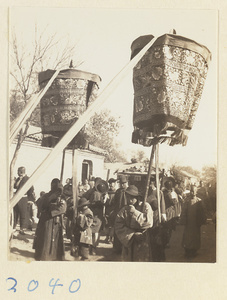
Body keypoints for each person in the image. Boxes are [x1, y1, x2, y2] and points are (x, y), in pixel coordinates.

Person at [114, 185, 153, 261]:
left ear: (137, 197)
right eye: (127, 197)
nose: (129, 200)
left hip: (142, 240)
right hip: (129, 240)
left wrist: (135, 213)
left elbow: (149, 222)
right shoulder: (125, 209)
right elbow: (118, 225)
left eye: (132, 197)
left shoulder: (145, 206)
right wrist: (132, 234)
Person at [33, 178, 67, 261]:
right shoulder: (46, 195)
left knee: (53, 238)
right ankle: (44, 255)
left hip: (55, 220)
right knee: (45, 237)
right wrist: (49, 200)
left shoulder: (61, 197)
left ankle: (54, 255)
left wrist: (53, 210)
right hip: (46, 220)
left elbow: (63, 208)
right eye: (53, 185)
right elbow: (39, 203)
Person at [83, 178, 108, 255]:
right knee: (95, 232)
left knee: (93, 231)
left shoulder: (95, 193)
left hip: (95, 214)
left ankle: (91, 247)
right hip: (97, 214)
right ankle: (93, 247)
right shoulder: (98, 193)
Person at [180, 184, 207, 258]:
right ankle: (187, 250)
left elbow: (202, 212)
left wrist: (202, 220)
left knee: (195, 236)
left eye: (194, 191)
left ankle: (194, 251)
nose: (192, 193)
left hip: (196, 223)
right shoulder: (187, 201)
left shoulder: (199, 201)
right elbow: (183, 211)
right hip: (188, 223)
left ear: (196, 192)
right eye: (191, 191)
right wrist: (183, 220)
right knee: (187, 236)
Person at [147, 176, 167, 261]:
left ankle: (159, 257)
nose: (151, 185)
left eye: (152, 183)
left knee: (157, 238)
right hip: (148, 215)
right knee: (149, 238)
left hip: (156, 216)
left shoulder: (159, 193)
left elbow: (162, 205)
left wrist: (163, 214)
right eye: (150, 183)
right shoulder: (147, 192)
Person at [13, 166, 36, 234]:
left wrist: (29, 199)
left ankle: (22, 229)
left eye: (18, 171)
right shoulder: (17, 179)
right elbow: (15, 187)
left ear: (21, 172)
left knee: (23, 214)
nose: (17, 173)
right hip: (16, 199)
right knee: (15, 213)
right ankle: (14, 227)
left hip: (23, 199)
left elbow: (31, 190)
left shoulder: (27, 179)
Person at [111, 175, 129, 253]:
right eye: (121, 183)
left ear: (127, 182)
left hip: (126, 215)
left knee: (125, 232)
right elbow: (115, 203)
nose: (122, 185)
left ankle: (125, 248)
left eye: (124, 183)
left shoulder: (129, 191)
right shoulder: (118, 191)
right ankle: (117, 249)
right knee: (117, 231)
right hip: (118, 213)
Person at [104, 178, 117, 243]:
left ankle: (111, 238)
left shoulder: (116, 192)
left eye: (112, 183)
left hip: (113, 210)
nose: (111, 185)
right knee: (107, 224)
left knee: (112, 225)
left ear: (115, 184)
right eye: (110, 183)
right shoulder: (107, 192)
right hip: (107, 210)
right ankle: (107, 237)